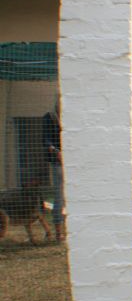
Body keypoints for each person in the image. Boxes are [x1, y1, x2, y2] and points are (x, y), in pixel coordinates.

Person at [43, 98, 66, 241]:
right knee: (59, 197)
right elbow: (46, 141)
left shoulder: (70, 116)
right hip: (58, 163)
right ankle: (59, 233)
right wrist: (56, 151)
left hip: (71, 162)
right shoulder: (50, 117)